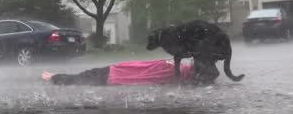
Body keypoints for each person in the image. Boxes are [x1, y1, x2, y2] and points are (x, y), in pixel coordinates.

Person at [42, 59, 219, 86]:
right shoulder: (180, 73)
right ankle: (54, 76)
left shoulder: (177, 68)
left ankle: (53, 77)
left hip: (115, 73)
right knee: (83, 77)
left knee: (81, 79)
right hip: (116, 73)